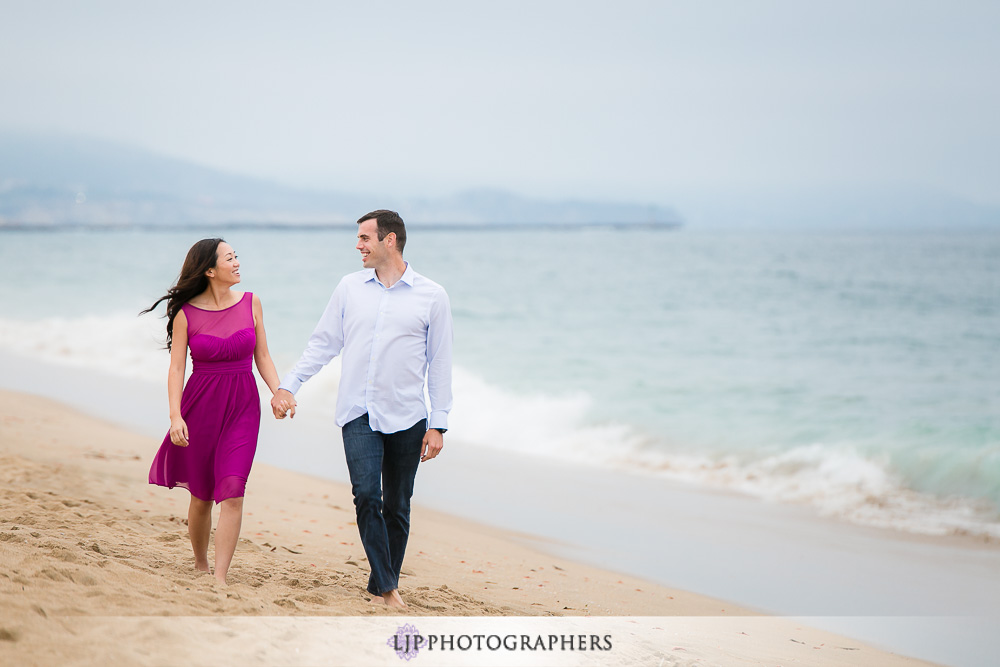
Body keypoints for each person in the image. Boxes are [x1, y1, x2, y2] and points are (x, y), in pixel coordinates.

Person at [271, 209, 453, 608]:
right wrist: (289, 385)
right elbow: (323, 343)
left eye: (365, 238)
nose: (358, 245)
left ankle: (377, 585)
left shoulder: (432, 296)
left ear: (389, 241)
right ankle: (389, 591)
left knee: (398, 507)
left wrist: (438, 423)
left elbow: (440, 363)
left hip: (408, 415)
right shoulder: (349, 288)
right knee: (367, 494)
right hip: (358, 411)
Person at [143, 238, 282, 585]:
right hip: (200, 408)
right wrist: (175, 416)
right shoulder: (186, 314)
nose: (237, 263)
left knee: (233, 489)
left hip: (243, 408)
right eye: (230, 259)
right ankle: (200, 563)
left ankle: (219, 577)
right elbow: (176, 370)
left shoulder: (252, 303)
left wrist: (278, 391)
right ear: (209, 269)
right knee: (202, 495)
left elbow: (262, 356)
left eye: (237, 257)